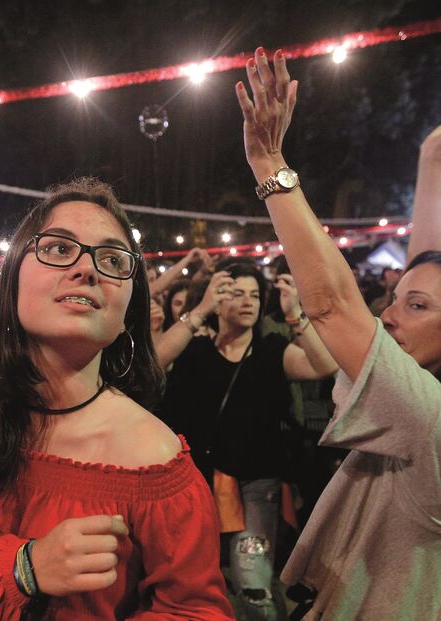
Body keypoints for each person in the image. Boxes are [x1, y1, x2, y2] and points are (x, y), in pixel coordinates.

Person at [0, 178, 234, 620]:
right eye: (58, 249)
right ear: (14, 276)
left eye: (112, 259)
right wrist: (25, 569)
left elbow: (194, 611)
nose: (87, 269)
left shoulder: (157, 458)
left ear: (129, 308)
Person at [236, 47, 440, 621]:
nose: (388, 316)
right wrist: (431, 158)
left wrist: (269, 162)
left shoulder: (428, 417)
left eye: (416, 306)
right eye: (394, 299)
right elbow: (429, 262)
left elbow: (329, 305)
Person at [155, 258, 337, 620]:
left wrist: (295, 316)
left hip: (256, 483)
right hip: (197, 482)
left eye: (254, 295)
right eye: (236, 294)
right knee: (189, 580)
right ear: (217, 300)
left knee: (252, 579)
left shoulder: (271, 349)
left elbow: (324, 365)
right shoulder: (196, 349)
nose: (248, 302)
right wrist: (200, 310)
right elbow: (154, 359)